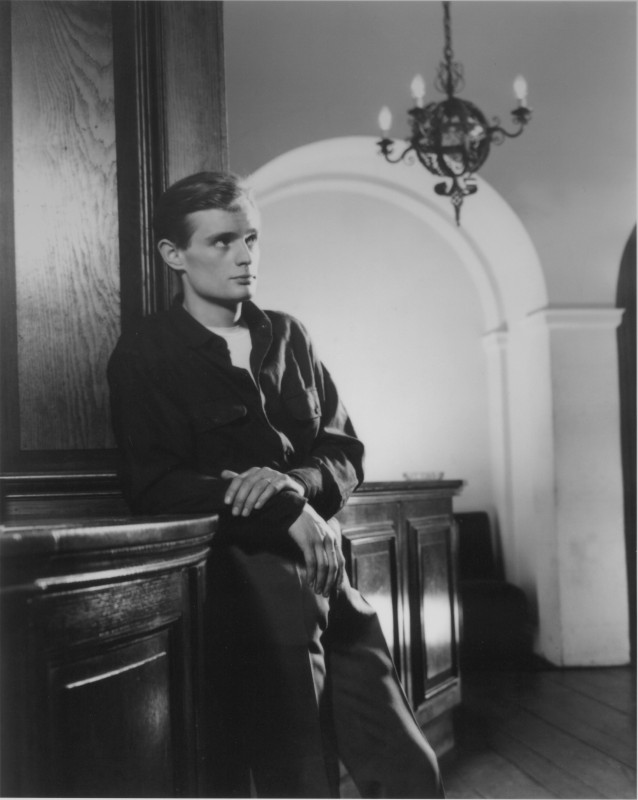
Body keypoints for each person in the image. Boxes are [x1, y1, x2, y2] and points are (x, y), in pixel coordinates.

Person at [107, 171, 444, 799]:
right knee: (302, 778)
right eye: (223, 241)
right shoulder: (146, 352)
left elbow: (344, 452)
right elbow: (154, 484)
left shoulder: (289, 335)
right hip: (248, 588)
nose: (245, 256)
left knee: (409, 770)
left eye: (252, 238)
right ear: (173, 255)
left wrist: (295, 488)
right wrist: (283, 507)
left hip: (331, 572)